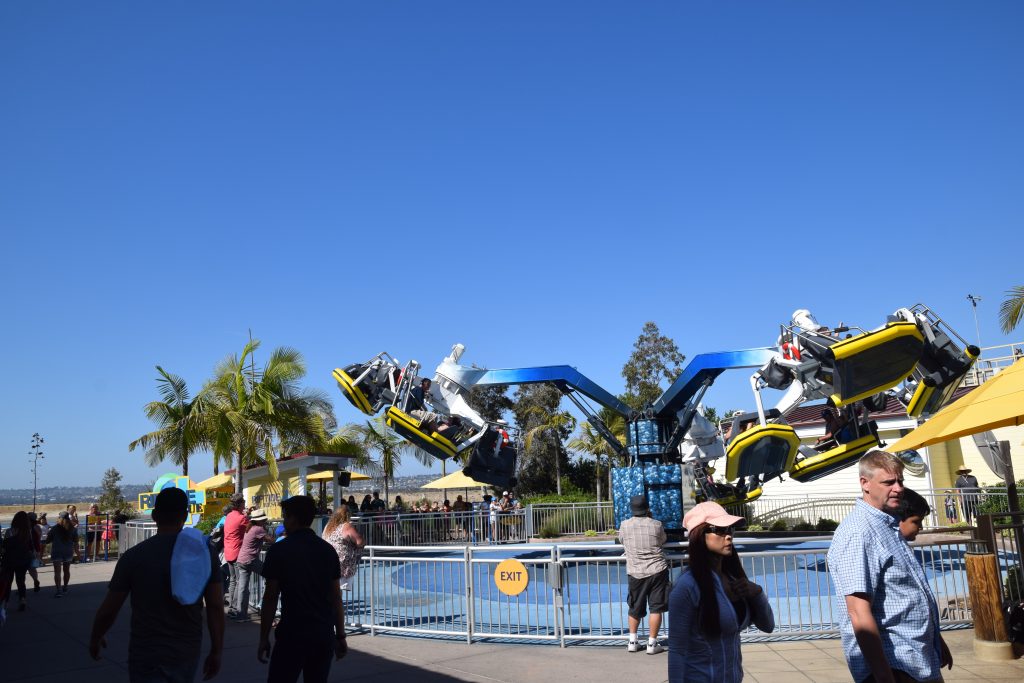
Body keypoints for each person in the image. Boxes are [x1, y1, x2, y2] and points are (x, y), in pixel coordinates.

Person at [827, 451, 953, 683]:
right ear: (865, 483)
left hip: (917, 657)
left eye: (900, 481)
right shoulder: (859, 532)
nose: (898, 488)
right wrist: (884, 675)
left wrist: (937, 641)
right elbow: (858, 612)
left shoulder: (887, 525)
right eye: (889, 482)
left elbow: (908, 594)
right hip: (895, 664)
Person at [89, 487, 224, 682]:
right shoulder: (204, 553)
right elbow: (215, 605)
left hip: (146, 652)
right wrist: (217, 650)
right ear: (185, 515)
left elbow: (110, 608)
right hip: (186, 651)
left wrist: (96, 636)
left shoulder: (133, 556)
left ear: (154, 516)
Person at [669, 501, 774, 680]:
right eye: (719, 530)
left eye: (730, 529)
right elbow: (677, 651)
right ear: (699, 535)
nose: (728, 536)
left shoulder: (733, 579)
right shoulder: (687, 586)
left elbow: (768, 626)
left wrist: (758, 594)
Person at [258, 495, 347, 682]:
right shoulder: (328, 551)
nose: (284, 522)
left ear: (293, 519)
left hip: (292, 634)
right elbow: (336, 597)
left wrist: (264, 637)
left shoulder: (279, 551)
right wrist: (340, 635)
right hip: (322, 634)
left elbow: (270, 597)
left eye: (285, 517)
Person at [619, 495, 669, 654]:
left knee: (634, 607)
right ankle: (652, 644)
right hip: (657, 570)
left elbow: (622, 540)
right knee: (656, 608)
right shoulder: (657, 524)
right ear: (647, 508)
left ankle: (632, 641)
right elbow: (663, 540)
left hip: (635, 571)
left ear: (632, 509)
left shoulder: (624, 525)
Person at [234, 509, 271, 622]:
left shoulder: (249, 528)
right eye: (263, 520)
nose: (264, 521)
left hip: (242, 559)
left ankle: (241, 615)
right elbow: (271, 540)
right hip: (251, 559)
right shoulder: (258, 529)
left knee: (243, 588)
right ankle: (265, 606)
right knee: (271, 576)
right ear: (259, 521)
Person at [322, 507, 364, 591]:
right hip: (342, 564)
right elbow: (360, 542)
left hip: (327, 561)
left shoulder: (328, 527)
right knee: (338, 591)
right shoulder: (346, 526)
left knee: (332, 590)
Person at [2, 511, 36, 613]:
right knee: (21, 581)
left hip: (9, 560)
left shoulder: (9, 531)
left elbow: (4, 546)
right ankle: (22, 599)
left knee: (8, 582)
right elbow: (31, 547)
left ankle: (5, 603)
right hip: (23, 560)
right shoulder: (27, 532)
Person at [224, 493, 249, 619]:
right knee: (240, 582)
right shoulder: (241, 518)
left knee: (233, 580)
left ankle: (231, 608)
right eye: (243, 502)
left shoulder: (229, 515)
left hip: (228, 552)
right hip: (237, 552)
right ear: (240, 504)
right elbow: (250, 528)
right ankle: (235, 609)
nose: (245, 503)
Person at [45, 511, 78, 595]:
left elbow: (47, 541)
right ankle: (65, 587)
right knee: (66, 571)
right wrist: (77, 553)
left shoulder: (54, 528)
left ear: (59, 518)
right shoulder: (72, 528)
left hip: (57, 551)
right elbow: (76, 541)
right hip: (68, 551)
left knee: (57, 572)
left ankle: (58, 590)